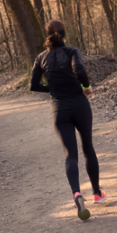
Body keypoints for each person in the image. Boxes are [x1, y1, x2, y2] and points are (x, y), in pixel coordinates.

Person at [30, 20, 107, 221]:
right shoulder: (72, 51)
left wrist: (53, 90)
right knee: (88, 148)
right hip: (80, 106)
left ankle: (76, 194)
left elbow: (34, 85)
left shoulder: (40, 57)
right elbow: (80, 71)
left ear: (46, 35)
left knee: (70, 155)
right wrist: (86, 87)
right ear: (64, 34)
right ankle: (97, 193)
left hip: (59, 110)